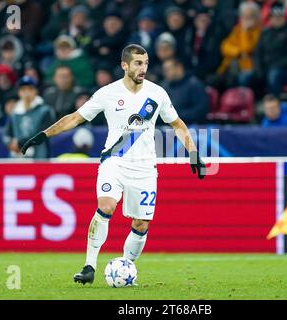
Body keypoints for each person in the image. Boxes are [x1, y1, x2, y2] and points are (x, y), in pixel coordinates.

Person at [20, 44, 206, 285]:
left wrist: (193, 152)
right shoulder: (107, 93)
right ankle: (89, 266)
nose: (144, 68)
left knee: (141, 223)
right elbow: (75, 118)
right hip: (114, 161)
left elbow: (177, 124)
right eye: (139, 63)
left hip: (145, 167)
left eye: (146, 63)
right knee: (106, 206)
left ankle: (126, 267)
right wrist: (44, 135)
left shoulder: (157, 93)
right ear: (125, 65)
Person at [3, 75, 54, 158]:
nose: (27, 93)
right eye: (23, 90)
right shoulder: (15, 112)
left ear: (35, 91)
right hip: (18, 156)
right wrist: (10, 143)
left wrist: (20, 143)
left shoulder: (45, 111)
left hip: (39, 156)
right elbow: (6, 133)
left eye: (30, 89)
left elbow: (43, 133)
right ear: (19, 92)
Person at [161, 57, 209, 124]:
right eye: (164, 70)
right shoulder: (164, 86)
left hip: (190, 126)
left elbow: (201, 111)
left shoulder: (194, 85)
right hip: (166, 126)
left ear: (179, 68)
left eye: (168, 69)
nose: (165, 73)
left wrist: (176, 116)